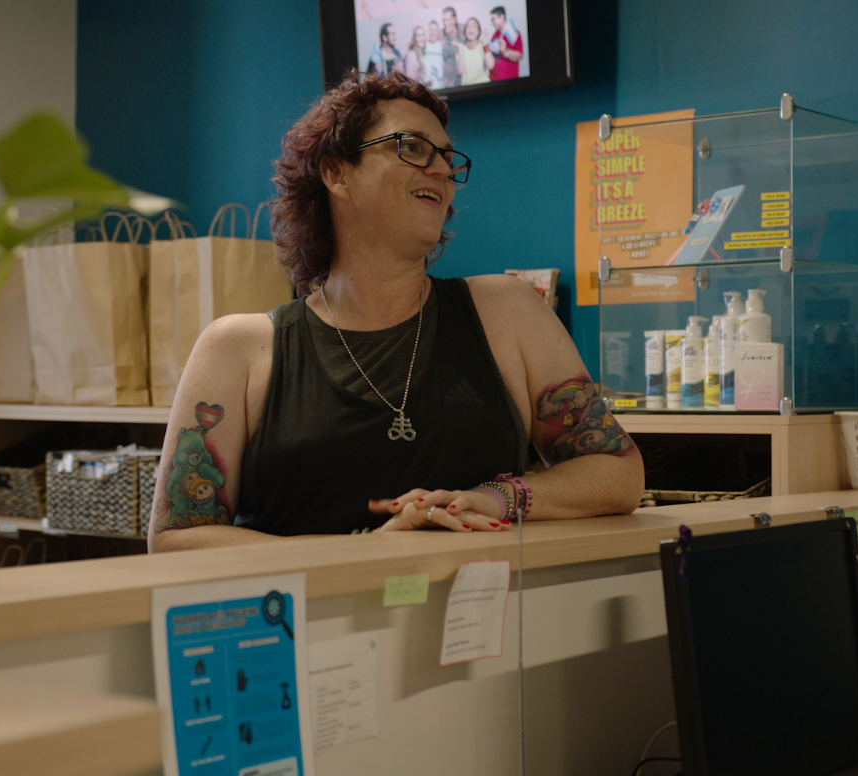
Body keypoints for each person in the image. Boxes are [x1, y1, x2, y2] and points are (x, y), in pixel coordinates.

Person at [147, 71, 643, 552]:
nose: (441, 170)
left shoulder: (508, 312)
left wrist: (499, 497)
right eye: (412, 148)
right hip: (310, 626)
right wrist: (363, 554)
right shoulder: (239, 348)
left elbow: (617, 474)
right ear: (337, 173)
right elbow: (174, 538)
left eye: (448, 158)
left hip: (481, 627)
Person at [487, 6, 524, 81]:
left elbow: (520, 55)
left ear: (502, 17)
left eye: (493, 19)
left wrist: (505, 51)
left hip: (508, 80)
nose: (492, 23)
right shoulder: (494, 35)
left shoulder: (514, 34)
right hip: (493, 79)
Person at [456, 17, 491, 86]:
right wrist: (460, 49)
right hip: (467, 89)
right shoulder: (461, 48)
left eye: (474, 26)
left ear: (478, 31)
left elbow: (490, 65)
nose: (470, 29)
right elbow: (461, 71)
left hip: (484, 86)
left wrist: (484, 43)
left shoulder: (483, 46)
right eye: (468, 27)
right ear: (465, 32)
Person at [440, 7, 461, 87]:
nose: (445, 23)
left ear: (454, 20)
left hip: (463, 81)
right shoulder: (441, 35)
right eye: (444, 20)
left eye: (448, 20)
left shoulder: (463, 32)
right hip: (447, 83)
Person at [422, 20, 445, 89]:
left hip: (440, 87)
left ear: (438, 32)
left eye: (435, 30)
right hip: (426, 87)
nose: (433, 33)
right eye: (431, 30)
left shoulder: (442, 45)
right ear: (428, 31)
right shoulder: (423, 45)